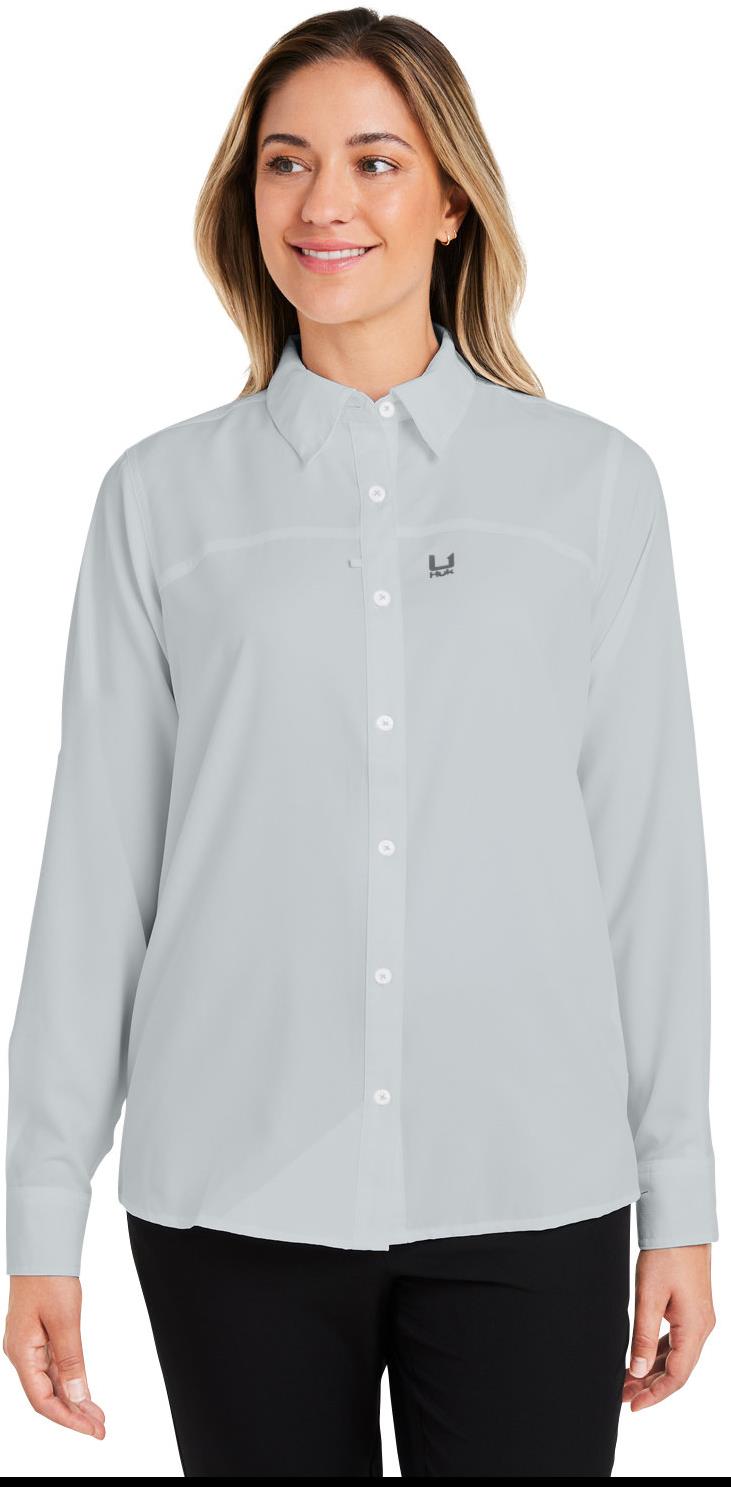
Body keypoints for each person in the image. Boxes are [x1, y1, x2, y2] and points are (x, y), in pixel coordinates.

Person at [3, 6, 718, 1478]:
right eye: (286, 162)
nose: (324, 201)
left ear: (452, 201)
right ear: (247, 197)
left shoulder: (592, 489)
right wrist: (39, 1215)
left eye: (376, 161)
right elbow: (95, 873)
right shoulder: (160, 500)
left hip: (531, 1185)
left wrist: (682, 1198)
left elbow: (647, 865)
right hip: (232, 1193)